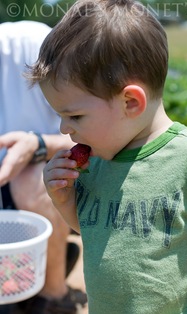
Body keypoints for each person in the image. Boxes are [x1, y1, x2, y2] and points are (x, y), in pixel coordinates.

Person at [27, 0, 187, 313]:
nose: (63, 128)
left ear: (131, 102)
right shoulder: (96, 161)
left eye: (75, 116)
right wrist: (65, 202)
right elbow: (96, 231)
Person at [0, 21, 86, 314]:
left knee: (33, 178)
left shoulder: (31, 44)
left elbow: (91, 131)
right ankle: (29, 275)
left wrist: (36, 144)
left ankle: (53, 295)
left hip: (34, 188)